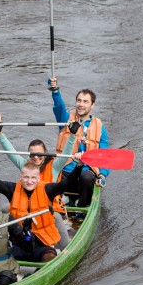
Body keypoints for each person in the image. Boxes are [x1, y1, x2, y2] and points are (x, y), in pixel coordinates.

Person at [0, 148, 83, 263]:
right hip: (20, 244)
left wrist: (79, 165)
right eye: (26, 177)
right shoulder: (12, 189)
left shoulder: (48, 189)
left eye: (33, 178)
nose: (29, 181)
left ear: (38, 178)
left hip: (43, 244)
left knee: (49, 259)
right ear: (21, 177)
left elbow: (67, 183)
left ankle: (41, 271)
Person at [0, 113, 80, 249]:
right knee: (5, 208)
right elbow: (11, 152)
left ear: (45, 153)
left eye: (39, 154)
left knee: (56, 217)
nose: (36, 157)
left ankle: (63, 247)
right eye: (32, 154)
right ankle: (5, 240)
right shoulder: (25, 166)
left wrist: (73, 135)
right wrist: (0, 134)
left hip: (50, 210)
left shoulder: (55, 165)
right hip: (29, 208)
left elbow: (67, 151)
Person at [49, 77, 110, 208]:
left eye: (85, 102)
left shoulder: (100, 127)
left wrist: (102, 174)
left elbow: (104, 156)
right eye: (79, 101)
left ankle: (81, 207)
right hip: (66, 171)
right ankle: (59, 204)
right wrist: (55, 91)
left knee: (87, 178)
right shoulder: (65, 119)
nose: (81, 104)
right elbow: (58, 106)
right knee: (50, 177)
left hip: (86, 172)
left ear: (92, 105)